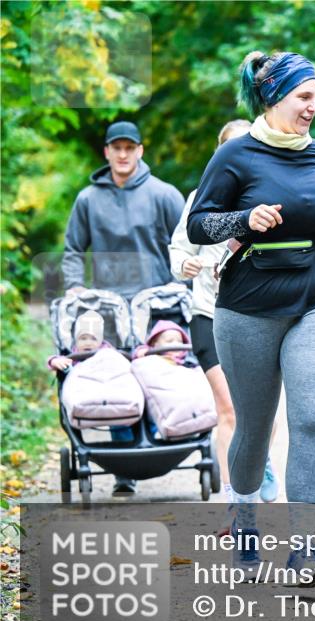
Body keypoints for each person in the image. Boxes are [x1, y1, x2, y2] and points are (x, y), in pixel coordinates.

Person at [187, 51, 315, 578]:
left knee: (309, 417)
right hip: (249, 305)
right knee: (255, 427)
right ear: (273, 97)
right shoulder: (236, 155)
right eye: (304, 97)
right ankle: (243, 517)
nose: (313, 107)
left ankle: (305, 549)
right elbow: (200, 224)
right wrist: (245, 217)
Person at [62, 120, 186, 494]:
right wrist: (74, 287)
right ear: (106, 152)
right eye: (116, 147)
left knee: (157, 376)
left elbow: (185, 244)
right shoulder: (88, 199)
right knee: (116, 383)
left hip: (156, 304)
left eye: (129, 148)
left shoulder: (163, 194)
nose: (122, 154)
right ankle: (125, 469)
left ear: (140, 151)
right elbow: (71, 250)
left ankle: (163, 445)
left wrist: (181, 285)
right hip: (108, 306)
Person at [169, 119, 280, 508]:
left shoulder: (270, 196)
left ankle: (260, 459)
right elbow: (179, 249)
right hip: (208, 314)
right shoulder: (202, 196)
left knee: (263, 409)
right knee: (229, 407)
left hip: (257, 315)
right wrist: (184, 265)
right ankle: (235, 499)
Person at [47, 310, 111, 372]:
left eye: (94, 339)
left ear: (100, 342)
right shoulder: (73, 354)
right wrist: (54, 361)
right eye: (83, 338)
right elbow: (57, 359)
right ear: (76, 341)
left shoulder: (108, 353)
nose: (88, 343)